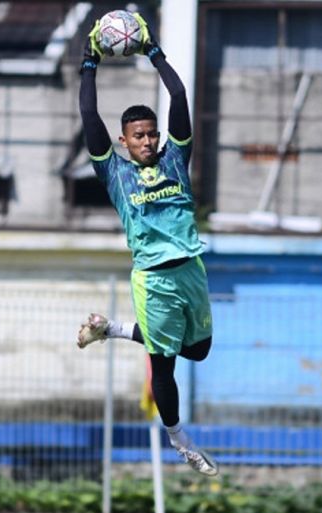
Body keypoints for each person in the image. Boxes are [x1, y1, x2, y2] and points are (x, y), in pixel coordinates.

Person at [76, 14, 218, 477]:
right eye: (139, 136)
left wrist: (153, 51)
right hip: (154, 278)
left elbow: (178, 96)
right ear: (125, 141)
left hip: (191, 268)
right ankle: (179, 438)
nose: (149, 140)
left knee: (198, 351)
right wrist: (89, 63)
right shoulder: (116, 173)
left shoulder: (176, 157)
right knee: (164, 363)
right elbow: (88, 118)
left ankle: (111, 329)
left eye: (152, 133)